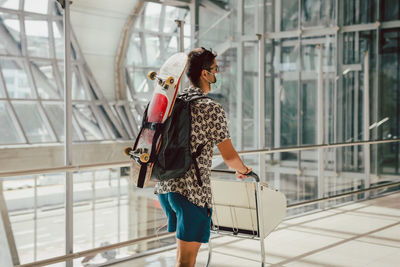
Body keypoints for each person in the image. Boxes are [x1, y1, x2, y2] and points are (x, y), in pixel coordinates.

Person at [155, 47, 252, 267]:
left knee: (181, 258)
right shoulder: (211, 108)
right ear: (204, 73)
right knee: (186, 262)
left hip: (166, 188)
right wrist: (243, 169)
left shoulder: (174, 102)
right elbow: (229, 156)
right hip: (191, 193)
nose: (217, 74)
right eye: (215, 69)